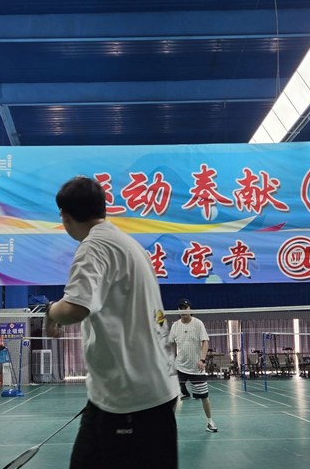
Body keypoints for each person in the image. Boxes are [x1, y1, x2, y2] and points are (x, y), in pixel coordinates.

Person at [45, 176, 180, 469]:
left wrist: (49, 311)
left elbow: (74, 309)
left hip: (132, 400)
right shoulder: (126, 243)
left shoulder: (94, 246)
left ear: (65, 217)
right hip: (118, 396)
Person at [168, 298, 218, 433]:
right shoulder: (175, 325)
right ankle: (170, 424)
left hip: (196, 367)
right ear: (178, 311)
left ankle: (210, 422)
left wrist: (202, 360)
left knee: (204, 397)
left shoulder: (198, 324)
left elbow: (205, 342)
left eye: (186, 308)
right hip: (179, 366)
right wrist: (170, 360)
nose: (183, 310)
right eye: (181, 308)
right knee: (173, 396)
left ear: (190, 309)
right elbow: (171, 344)